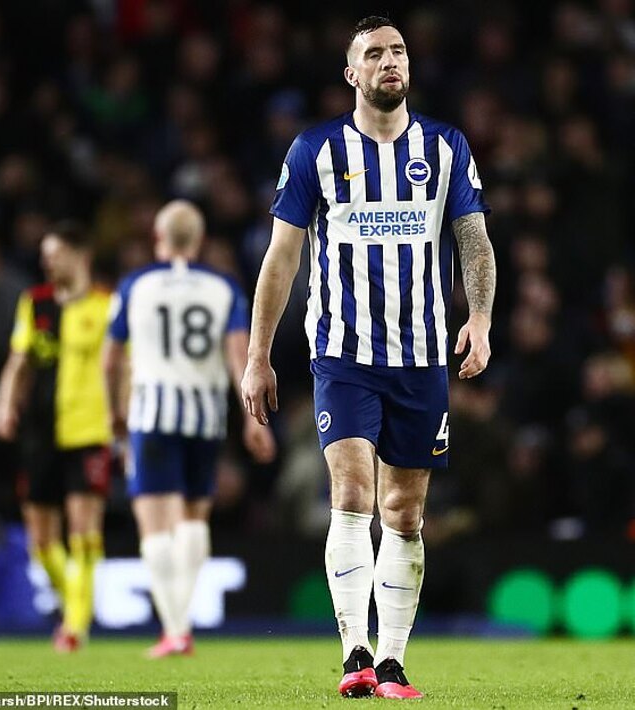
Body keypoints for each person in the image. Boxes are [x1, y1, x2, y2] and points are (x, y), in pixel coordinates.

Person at [241, 15, 496, 700]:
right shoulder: (315, 150)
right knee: (352, 493)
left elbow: (473, 238)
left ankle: (391, 661)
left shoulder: (445, 147)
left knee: (405, 513)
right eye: (375, 53)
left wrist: (479, 318)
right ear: (351, 73)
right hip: (344, 353)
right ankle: (354, 648)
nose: (391, 61)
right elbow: (281, 258)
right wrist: (258, 355)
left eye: (399, 51)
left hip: (421, 357)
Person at [103, 199, 276, 658]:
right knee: (194, 520)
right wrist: (251, 419)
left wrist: (113, 412)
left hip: (151, 414)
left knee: (155, 523)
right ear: (198, 241)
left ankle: (175, 628)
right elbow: (239, 357)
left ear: (158, 238)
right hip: (205, 417)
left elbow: (110, 359)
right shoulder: (223, 287)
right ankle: (180, 627)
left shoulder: (136, 284)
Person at [0, 221, 112, 652]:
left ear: (81, 256)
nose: (47, 262)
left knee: (83, 530)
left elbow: (122, 367)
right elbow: (19, 360)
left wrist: (123, 416)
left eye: (55, 254)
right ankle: (75, 603)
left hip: (89, 429)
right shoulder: (35, 303)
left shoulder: (106, 306)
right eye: (45, 255)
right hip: (39, 433)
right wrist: (5, 404)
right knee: (41, 543)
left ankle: (74, 626)